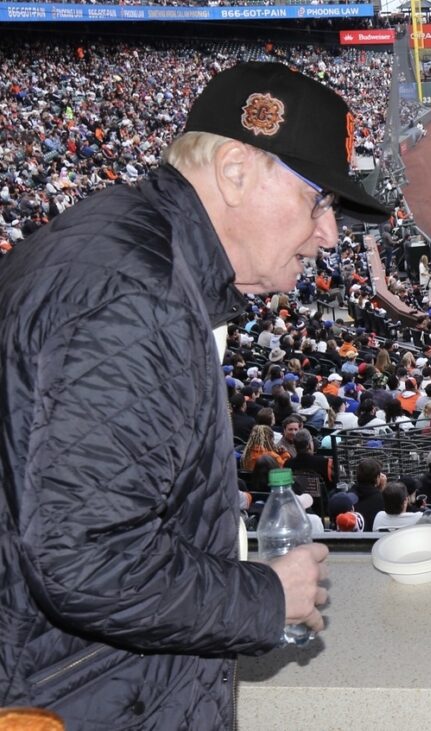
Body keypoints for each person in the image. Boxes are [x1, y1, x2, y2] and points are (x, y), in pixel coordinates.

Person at [0, 62, 394, 725]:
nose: (328, 234)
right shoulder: (135, 295)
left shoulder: (133, 250)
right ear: (237, 172)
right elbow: (83, 560)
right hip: (75, 698)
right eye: (319, 199)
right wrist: (264, 596)